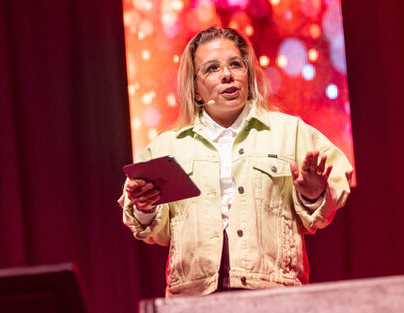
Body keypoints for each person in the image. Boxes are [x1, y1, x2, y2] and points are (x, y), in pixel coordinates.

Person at [118, 26, 353, 297]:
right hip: (193, 300)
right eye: (212, 68)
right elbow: (152, 231)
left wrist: (313, 196)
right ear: (195, 90)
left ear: (248, 75)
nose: (227, 74)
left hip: (273, 296)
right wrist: (144, 208)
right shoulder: (166, 147)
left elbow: (338, 178)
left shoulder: (290, 132)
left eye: (235, 64)